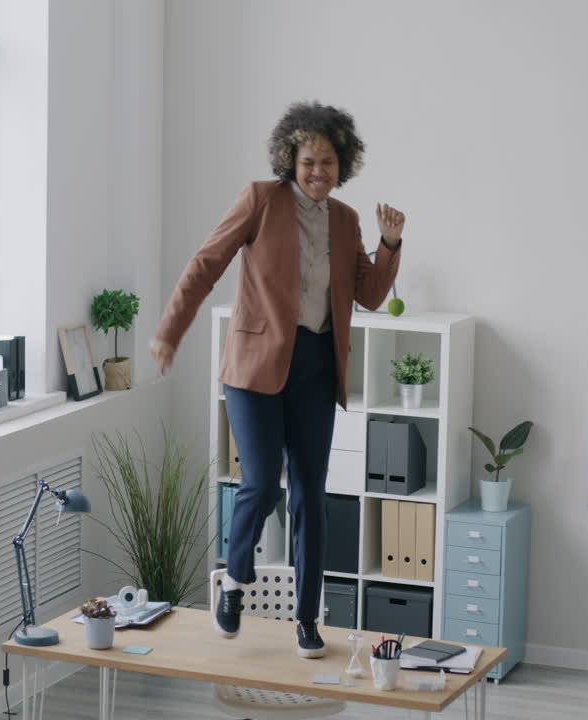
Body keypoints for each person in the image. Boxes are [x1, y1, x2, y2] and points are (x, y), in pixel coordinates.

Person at [150, 101, 404, 658]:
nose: (319, 172)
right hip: (255, 369)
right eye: (309, 160)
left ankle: (307, 619)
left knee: (312, 496)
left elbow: (367, 294)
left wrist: (388, 246)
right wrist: (170, 330)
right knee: (262, 483)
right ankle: (235, 583)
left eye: (329, 162)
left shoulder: (345, 219)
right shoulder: (261, 201)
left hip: (315, 369)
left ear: (344, 164)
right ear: (290, 158)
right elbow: (206, 263)